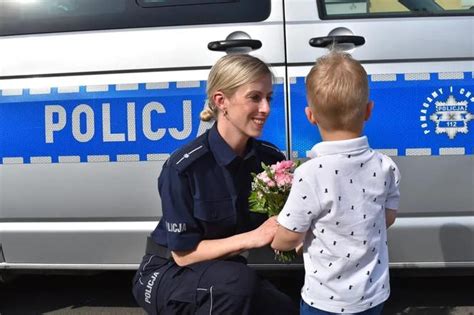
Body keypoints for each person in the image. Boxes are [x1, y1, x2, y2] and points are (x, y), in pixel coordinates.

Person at [132, 54, 298, 315]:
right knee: (236, 285)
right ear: (222, 101)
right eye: (254, 97)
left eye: (269, 98)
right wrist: (254, 237)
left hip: (227, 272)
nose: (265, 108)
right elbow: (184, 255)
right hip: (169, 273)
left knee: (286, 309)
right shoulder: (185, 167)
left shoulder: (270, 160)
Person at [271, 52, 401, 315]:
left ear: (310, 115)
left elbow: (285, 240)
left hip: (324, 301)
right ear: (368, 111)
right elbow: (386, 218)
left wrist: (282, 234)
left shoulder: (310, 173)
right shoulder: (386, 166)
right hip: (373, 295)